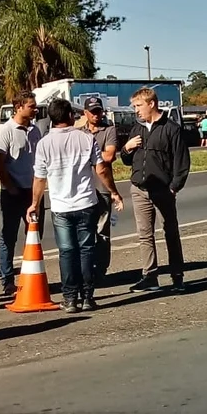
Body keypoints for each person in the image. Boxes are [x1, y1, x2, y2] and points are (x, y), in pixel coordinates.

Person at [28, 99, 123, 313]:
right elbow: (101, 169)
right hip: (86, 202)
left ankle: (70, 298)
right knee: (87, 249)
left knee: (67, 251)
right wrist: (114, 192)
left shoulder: (44, 143)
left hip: (60, 206)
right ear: (70, 115)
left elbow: (40, 178)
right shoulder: (86, 138)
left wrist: (34, 204)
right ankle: (88, 296)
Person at [120, 87, 191, 292]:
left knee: (170, 232)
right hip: (139, 189)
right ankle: (150, 276)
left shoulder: (171, 129)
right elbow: (126, 160)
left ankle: (177, 276)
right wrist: (127, 148)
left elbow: (182, 162)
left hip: (163, 190)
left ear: (151, 104)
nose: (136, 110)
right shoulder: (137, 129)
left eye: (138, 105)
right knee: (145, 234)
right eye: (134, 106)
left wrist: (174, 187)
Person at [0, 91, 42, 296]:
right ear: (19, 107)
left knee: (34, 235)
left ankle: (31, 277)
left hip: (32, 192)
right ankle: (7, 281)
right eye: (31, 106)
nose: (35, 109)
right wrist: (10, 187)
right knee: (9, 236)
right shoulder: (5, 131)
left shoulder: (35, 130)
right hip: (12, 192)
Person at [80, 96, 120, 279]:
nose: (96, 115)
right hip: (83, 188)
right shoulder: (79, 132)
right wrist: (96, 155)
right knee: (85, 230)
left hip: (102, 187)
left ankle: (101, 269)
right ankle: (87, 268)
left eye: (99, 111)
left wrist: (87, 154)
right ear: (85, 113)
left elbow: (109, 156)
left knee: (102, 230)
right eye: (93, 111)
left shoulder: (109, 129)